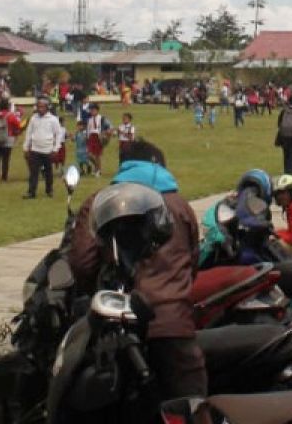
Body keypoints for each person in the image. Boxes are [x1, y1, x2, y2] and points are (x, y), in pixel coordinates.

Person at [68, 139, 206, 401]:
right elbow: (192, 264)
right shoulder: (180, 205)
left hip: (119, 327)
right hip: (174, 324)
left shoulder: (101, 202)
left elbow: (82, 263)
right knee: (191, 405)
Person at [23, 96, 63, 199]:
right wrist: (26, 147)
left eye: (42, 107)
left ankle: (49, 190)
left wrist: (56, 149)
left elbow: (58, 134)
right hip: (35, 149)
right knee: (33, 172)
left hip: (47, 150)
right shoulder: (33, 118)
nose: (40, 109)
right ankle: (31, 192)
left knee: (48, 172)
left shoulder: (53, 119)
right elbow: (29, 133)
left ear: (47, 107)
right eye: (38, 107)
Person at [0, 98, 22, 181]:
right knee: (5, 159)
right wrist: (16, 134)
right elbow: (18, 126)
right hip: (8, 139)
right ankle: (4, 176)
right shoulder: (11, 115)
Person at [85, 103, 112, 175]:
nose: (92, 111)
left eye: (93, 110)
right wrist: (87, 138)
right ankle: (96, 166)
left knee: (97, 155)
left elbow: (109, 127)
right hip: (91, 137)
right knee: (89, 154)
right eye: (90, 110)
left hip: (98, 137)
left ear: (97, 110)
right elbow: (88, 129)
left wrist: (106, 134)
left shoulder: (102, 118)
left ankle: (98, 170)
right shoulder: (89, 120)